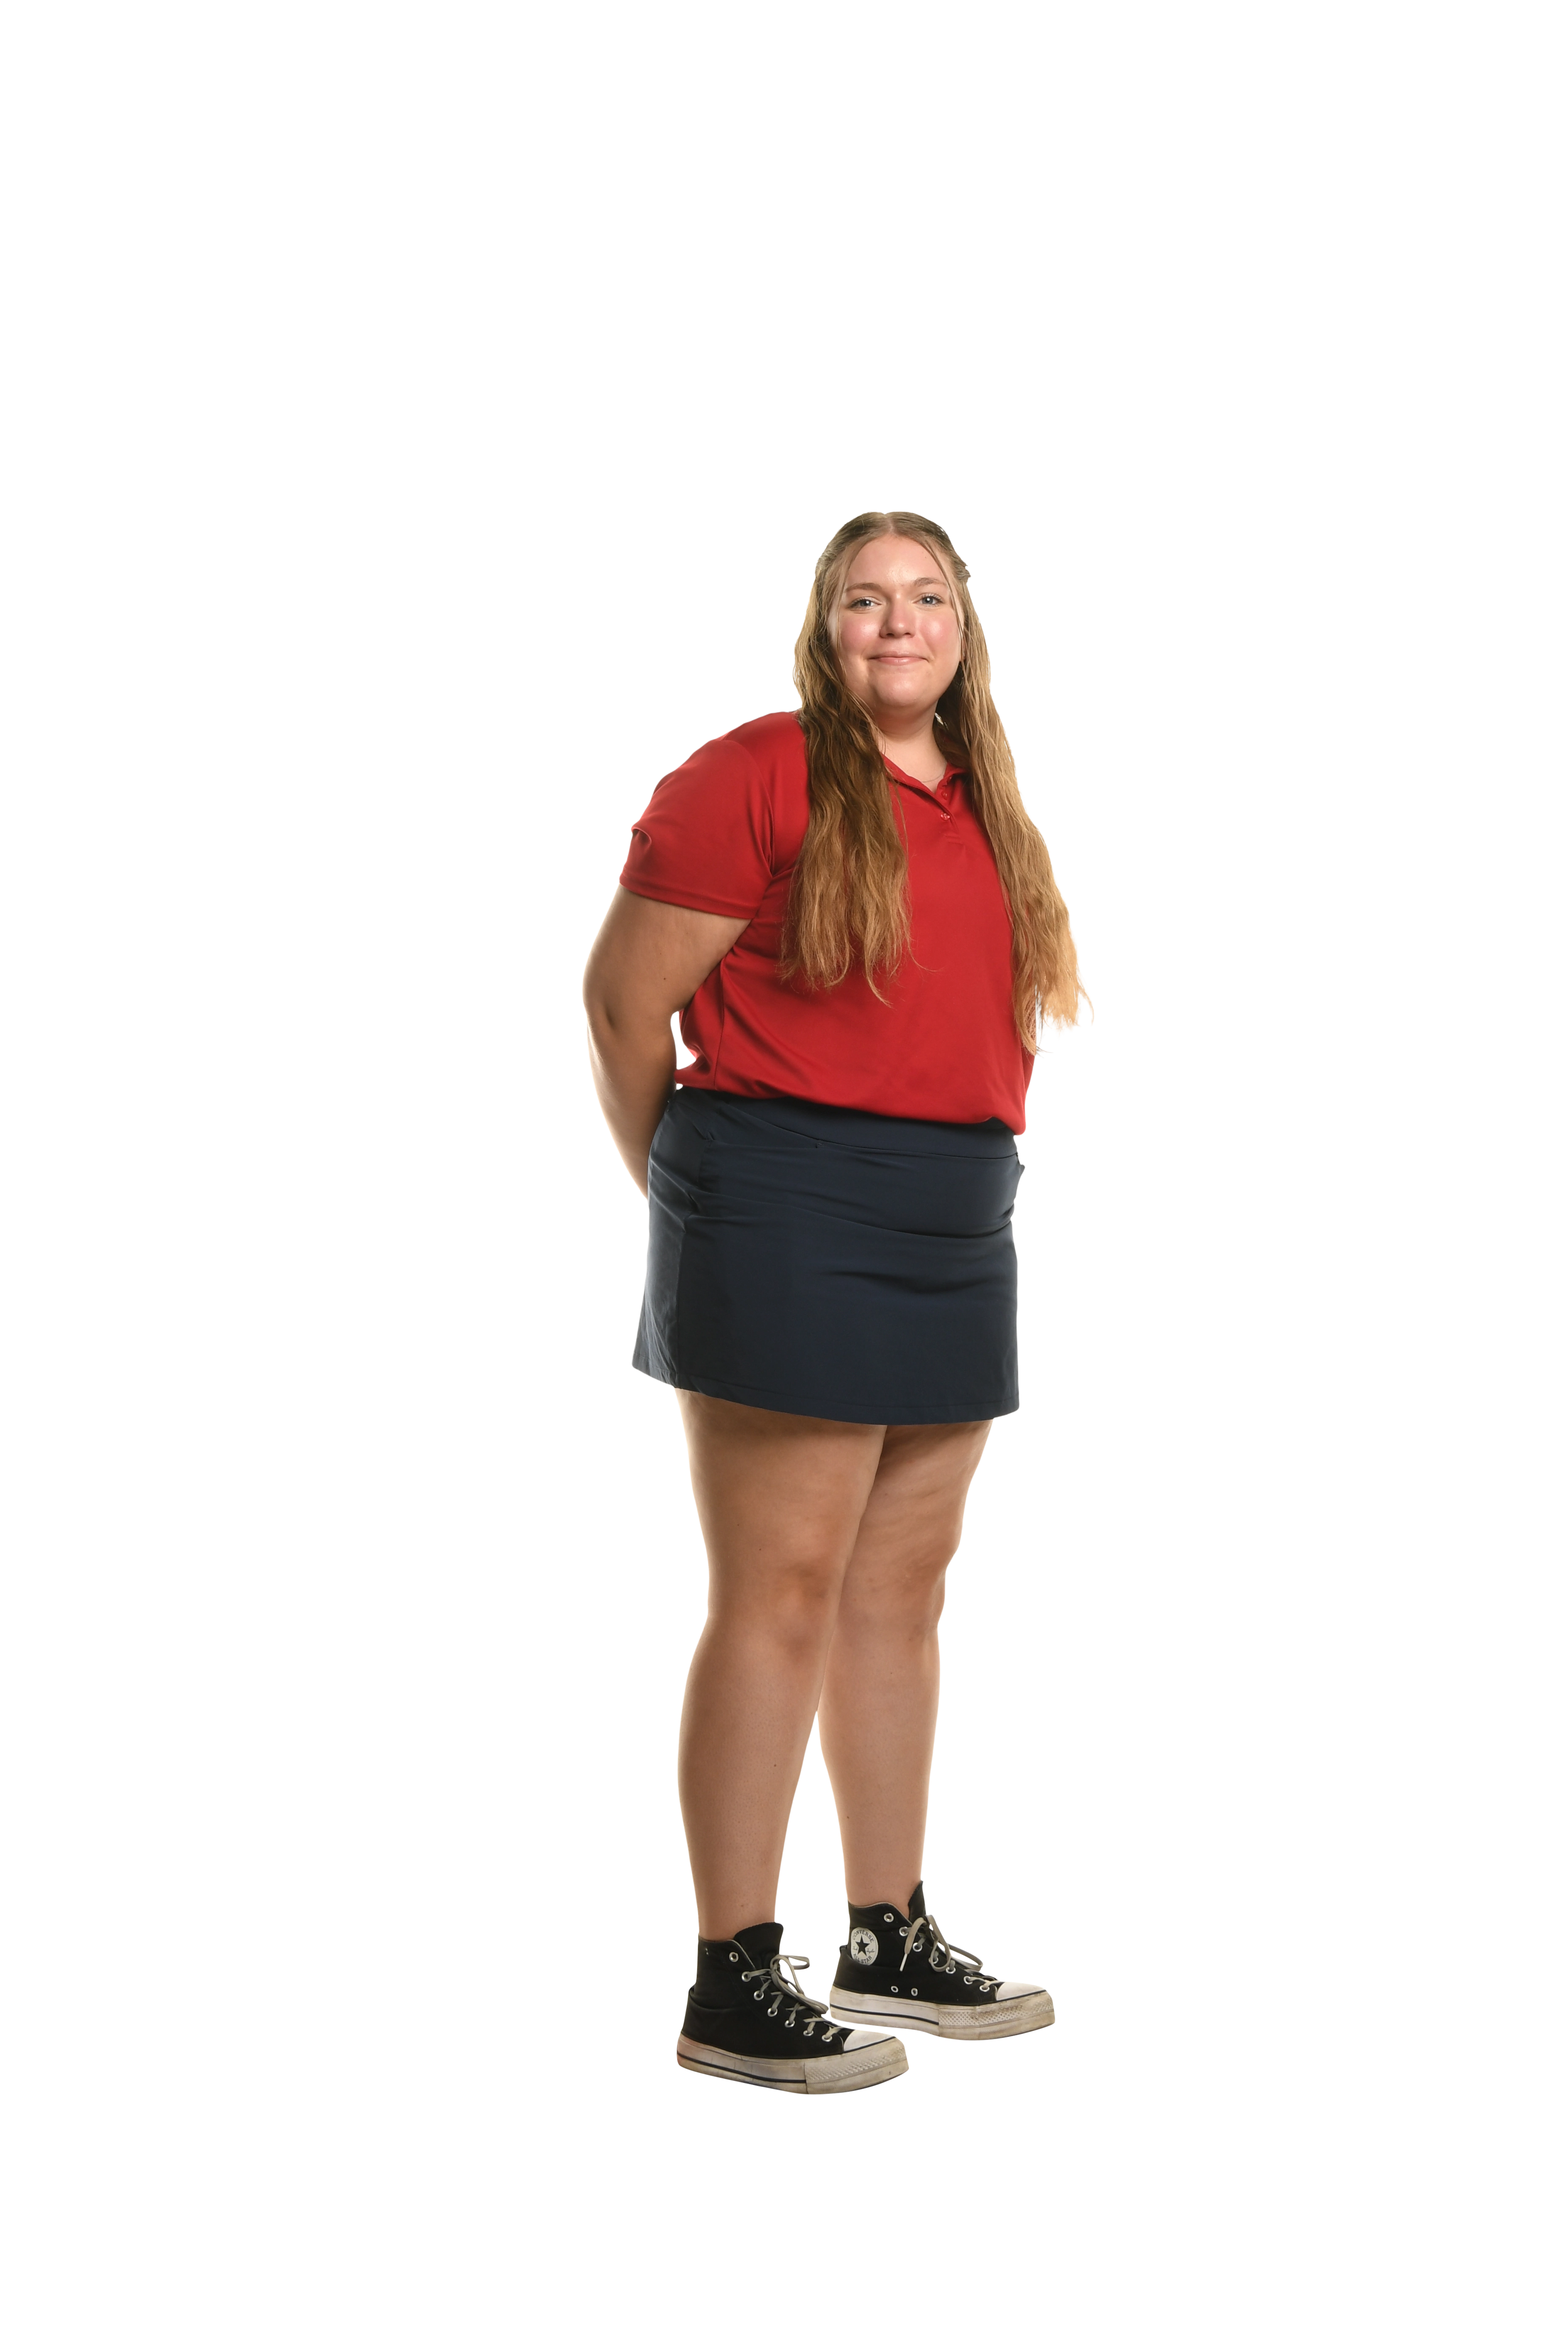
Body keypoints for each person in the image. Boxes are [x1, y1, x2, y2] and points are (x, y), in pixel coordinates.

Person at [583, 510, 1093, 2094]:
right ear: (825, 624)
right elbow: (622, 1005)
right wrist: (702, 1201)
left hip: (958, 1212)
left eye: (927, 596)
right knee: (782, 1589)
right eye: (866, 599)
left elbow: (1018, 1003)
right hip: (782, 1197)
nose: (898, 622)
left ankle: (888, 1936)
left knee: (902, 1591)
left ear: (965, 626)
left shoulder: (996, 794)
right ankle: (736, 1980)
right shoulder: (753, 772)